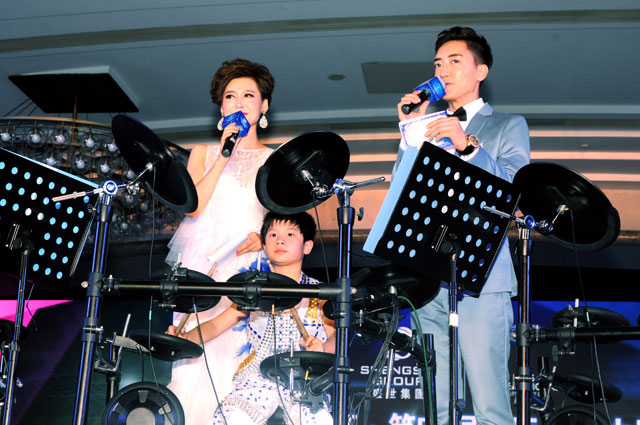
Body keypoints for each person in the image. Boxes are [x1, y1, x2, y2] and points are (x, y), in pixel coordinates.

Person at [394, 27, 530, 424]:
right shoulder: (427, 126)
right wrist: (409, 133)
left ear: (481, 71)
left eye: (455, 61)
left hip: (482, 275)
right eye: (438, 63)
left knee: (489, 403)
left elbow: (514, 191)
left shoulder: (507, 125)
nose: (443, 70)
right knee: (435, 404)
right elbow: (402, 193)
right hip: (429, 274)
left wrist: (468, 146)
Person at [164, 58, 276, 425]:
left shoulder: (275, 160)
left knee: (236, 366)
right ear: (221, 107)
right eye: (231, 96)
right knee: (192, 366)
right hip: (201, 272)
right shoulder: (203, 153)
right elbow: (194, 208)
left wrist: (263, 238)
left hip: (248, 274)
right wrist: (224, 154)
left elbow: (284, 227)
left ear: (264, 106)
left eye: (249, 95)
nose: (239, 102)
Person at [168, 211, 335, 425]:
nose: (280, 240)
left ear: (307, 246)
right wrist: (186, 337)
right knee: (232, 419)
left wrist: (323, 347)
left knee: (319, 420)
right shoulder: (254, 292)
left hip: (305, 380)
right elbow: (215, 325)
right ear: (264, 245)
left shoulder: (319, 293)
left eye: (290, 234)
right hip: (258, 379)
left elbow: (336, 338)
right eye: (272, 235)